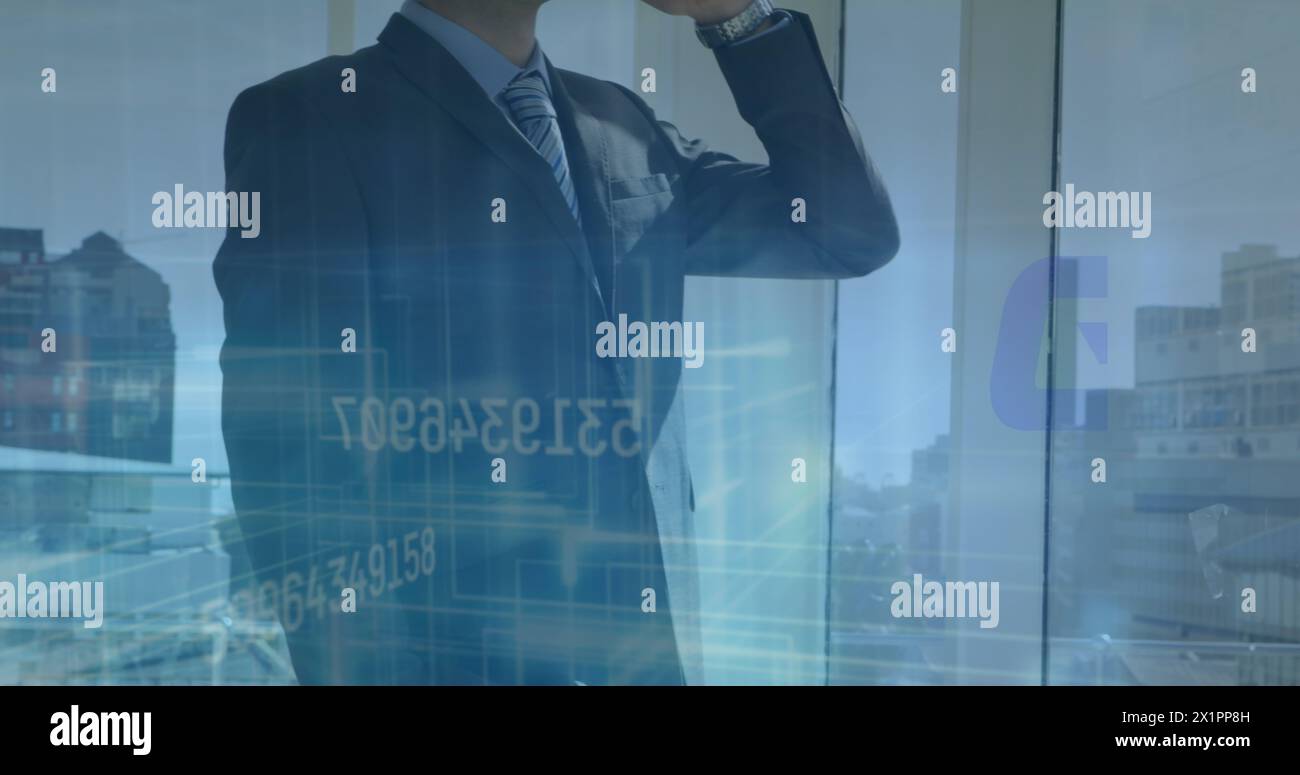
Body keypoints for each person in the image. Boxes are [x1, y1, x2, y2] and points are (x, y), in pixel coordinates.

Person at [213, 0, 898, 685]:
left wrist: (736, 19)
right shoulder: (311, 117)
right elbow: (292, 454)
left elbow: (845, 231)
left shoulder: (619, 121)